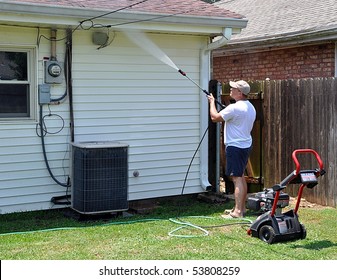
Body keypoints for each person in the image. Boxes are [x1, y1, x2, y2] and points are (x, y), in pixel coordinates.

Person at [208, 80, 256, 218]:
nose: (230, 89)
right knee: (240, 177)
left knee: (236, 179)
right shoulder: (250, 107)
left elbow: (214, 117)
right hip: (245, 145)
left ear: (240, 93)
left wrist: (212, 102)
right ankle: (241, 208)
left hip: (235, 146)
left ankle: (238, 212)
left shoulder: (235, 108)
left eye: (233, 88)